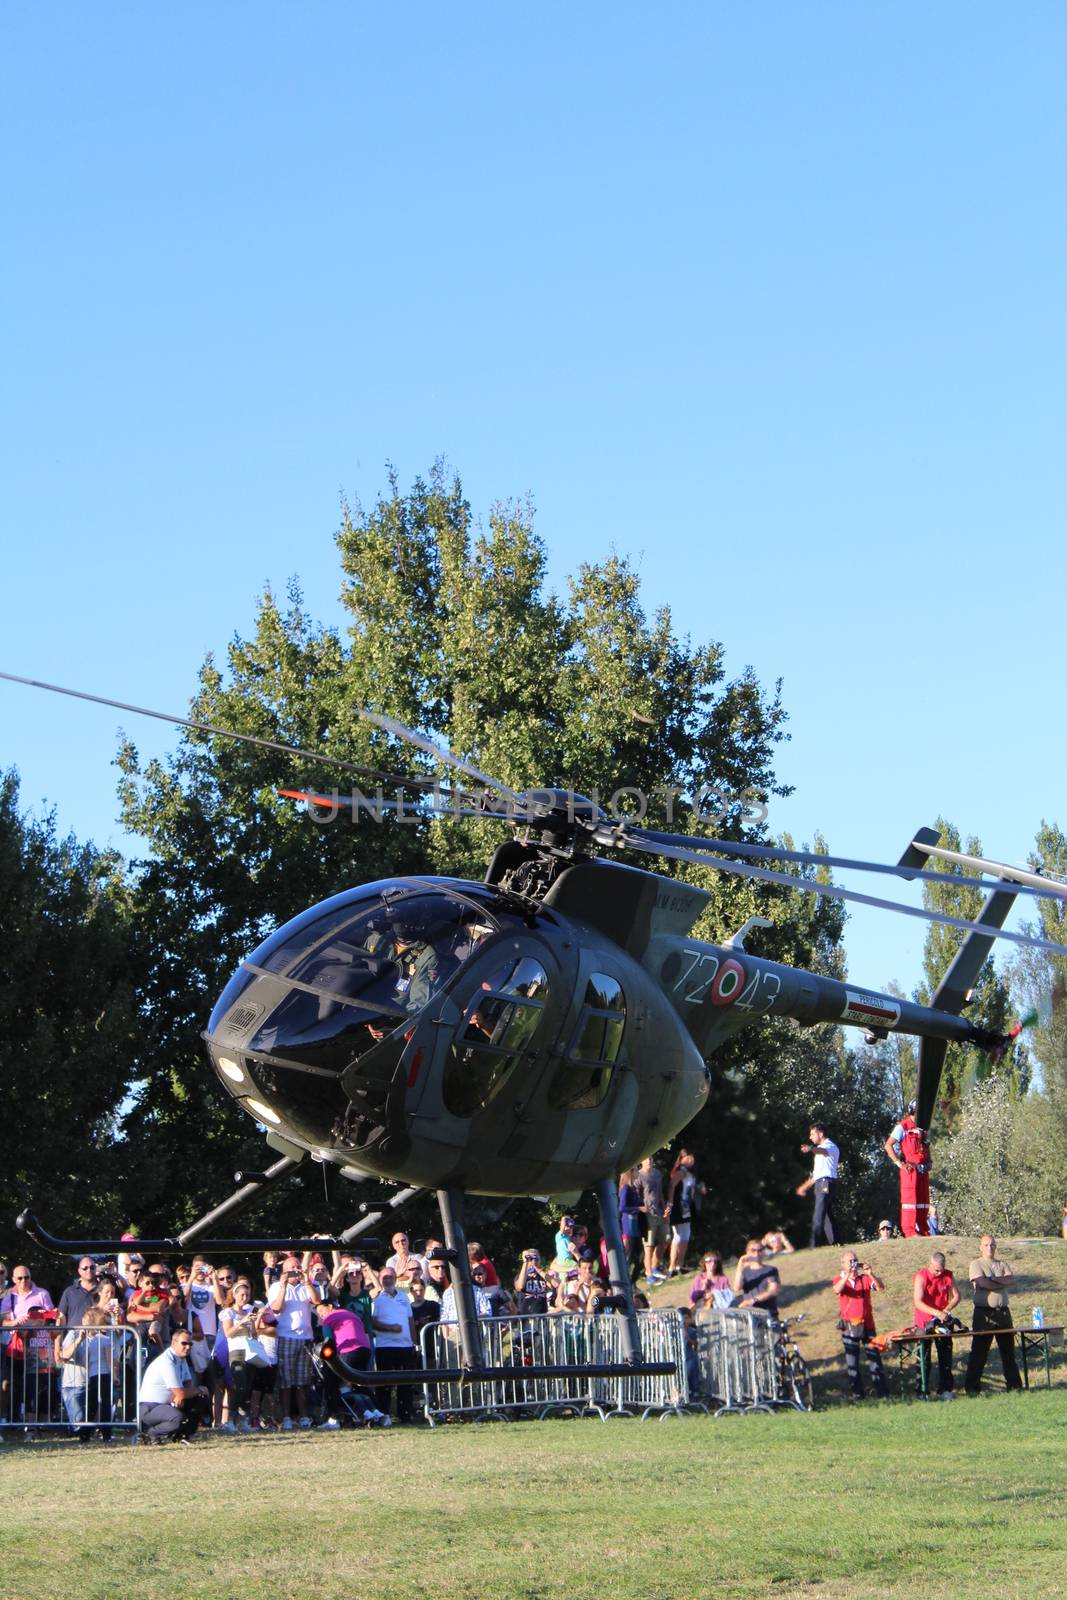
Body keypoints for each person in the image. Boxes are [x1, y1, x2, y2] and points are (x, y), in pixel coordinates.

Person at [267, 1255, 325, 1429]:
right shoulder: (276, 1286)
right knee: (286, 1380)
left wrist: (307, 1281)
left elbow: (317, 1301)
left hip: (305, 1338)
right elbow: (276, 1308)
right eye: (292, 1269)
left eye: (298, 1267)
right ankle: (286, 1417)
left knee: (303, 1380)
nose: (296, 1271)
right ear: (284, 1271)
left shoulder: (307, 1286)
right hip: (286, 1336)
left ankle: (304, 1416)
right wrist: (284, 1286)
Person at [963, 1235, 1023, 1395]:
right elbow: (983, 1283)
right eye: (986, 1245)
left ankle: (1015, 1386)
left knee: (1008, 1352)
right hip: (984, 1313)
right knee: (979, 1352)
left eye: (992, 1245)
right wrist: (999, 1282)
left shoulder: (1002, 1263)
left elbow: (1011, 1280)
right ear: (980, 1247)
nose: (990, 1248)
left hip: (1003, 1312)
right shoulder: (976, 1264)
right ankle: (972, 1388)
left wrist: (993, 1280)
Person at [831, 1251, 889, 1401]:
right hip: (849, 1327)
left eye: (855, 1260)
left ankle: (882, 1394)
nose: (853, 1264)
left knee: (875, 1360)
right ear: (843, 1264)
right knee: (853, 1364)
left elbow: (881, 1287)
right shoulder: (839, 1279)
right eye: (850, 1261)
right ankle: (858, 1396)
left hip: (868, 1326)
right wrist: (847, 1276)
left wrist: (871, 1273)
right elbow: (837, 1290)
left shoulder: (864, 1279)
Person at [138, 1325, 209, 1443]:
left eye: (190, 1344)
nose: (187, 1347)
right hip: (149, 1408)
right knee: (177, 1418)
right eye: (184, 1343)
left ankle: (182, 1436)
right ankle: (150, 1433)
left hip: (165, 1405)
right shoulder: (167, 1361)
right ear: (174, 1343)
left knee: (200, 1399)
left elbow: (188, 1385)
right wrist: (198, 1390)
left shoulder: (181, 1359)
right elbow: (180, 1392)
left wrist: (189, 1394)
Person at [371, 1268, 418, 1423]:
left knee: (406, 1383)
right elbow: (372, 1322)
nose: (388, 1280)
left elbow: (410, 1320)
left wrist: (414, 1341)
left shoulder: (404, 1297)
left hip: (406, 1346)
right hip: (385, 1347)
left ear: (396, 1279)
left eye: (390, 1277)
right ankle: (383, 1415)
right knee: (384, 1384)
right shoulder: (376, 1299)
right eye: (384, 1278)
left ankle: (405, 1415)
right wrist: (390, 1328)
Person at [912, 1251, 960, 1399]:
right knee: (923, 1358)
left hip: (942, 1322)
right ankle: (922, 1392)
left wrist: (947, 1309)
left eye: (942, 1269)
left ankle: (945, 1390)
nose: (939, 1273)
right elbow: (918, 1302)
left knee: (945, 1356)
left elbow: (957, 1296)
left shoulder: (948, 1275)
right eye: (936, 1270)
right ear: (930, 1264)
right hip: (924, 1322)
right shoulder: (921, 1276)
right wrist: (936, 1312)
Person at [883, 1101, 931, 1236]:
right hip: (910, 1170)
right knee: (910, 1201)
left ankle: (923, 1229)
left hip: (923, 1169)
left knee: (923, 1202)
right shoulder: (902, 1127)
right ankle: (910, 1231)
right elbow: (888, 1145)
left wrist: (929, 1161)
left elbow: (926, 1146)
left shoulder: (923, 1128)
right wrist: (899, 1163)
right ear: (914, 1111)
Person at [796, 1123, 839, 1247]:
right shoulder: (820, 1152)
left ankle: (814, 1245)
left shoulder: (829, 1146)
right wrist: (804, 1187)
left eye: (812, 1134)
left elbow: (823, 1151)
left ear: (820, 1134)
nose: (810, 1137)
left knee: (819, 1213)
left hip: (825, 1182)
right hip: (821, 1182)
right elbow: (816, 1175)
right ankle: (837, 1242)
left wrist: (810, 1149)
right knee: (826, 1214)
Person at [665, 1150, 703, 1277]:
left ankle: (679, 1265)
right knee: (679, 1235)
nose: (691, 1159)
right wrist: (670, 1203)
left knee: (685, 1235)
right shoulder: (681, 1172)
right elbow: (671, 1185)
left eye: (691, 1156)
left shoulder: (689, 1173)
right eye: (687, 1157)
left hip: (686, 1208)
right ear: (681, 1159)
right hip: (679, 1208)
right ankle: (673, 1266)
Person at [636, 1156, 670, 1284]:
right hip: (647, 1214)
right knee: (649, 1246)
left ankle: (654, 1267)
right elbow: (634, 1196)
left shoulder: (657, 1174)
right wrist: (640, 1209)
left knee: (666, 1239)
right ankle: (649, 1274)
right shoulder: (638, 1176)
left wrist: (664, 1207)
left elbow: (660, 1193)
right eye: (646, 1159)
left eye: (651, 1158)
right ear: (641, 1162)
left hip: (659, 1212)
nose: (649, 1161)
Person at [733, 1241, 781, 1316]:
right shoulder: (744, 1271)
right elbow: (736, 1288)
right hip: (750, 1314)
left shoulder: (771, 1270)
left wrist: (752, 1300)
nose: (756, 1253)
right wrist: (740, 1265)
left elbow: (773, 1291)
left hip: (768, 1313)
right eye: (753, 1250)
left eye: (760, 1250)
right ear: (747, 1252)